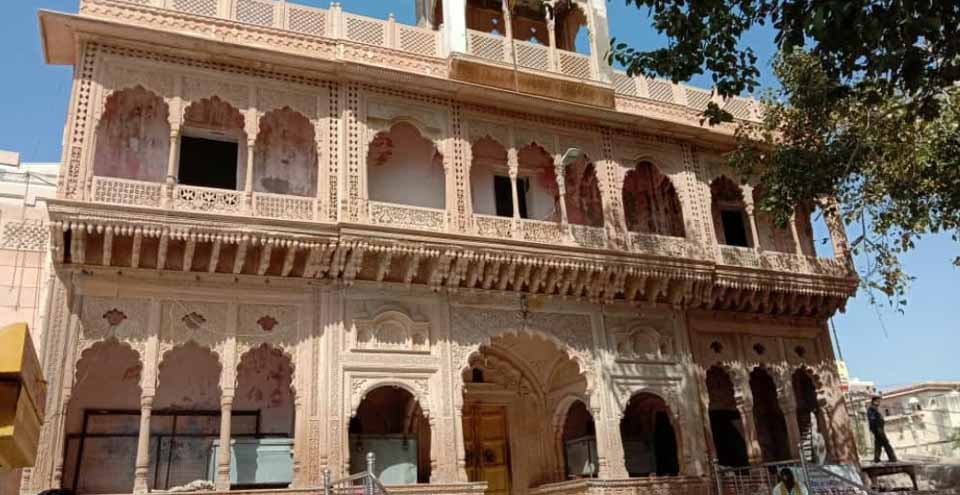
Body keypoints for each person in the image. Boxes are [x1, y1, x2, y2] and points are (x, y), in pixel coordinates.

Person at [867, 396, 897, 462]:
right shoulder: (872, 409)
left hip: (879, 429)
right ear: (874, 401)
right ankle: (892, 458)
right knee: (886, 443)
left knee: (878, 444)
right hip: (878, 429)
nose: (879, 402)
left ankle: (876, 459)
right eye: (878, 401)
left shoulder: (874, 408)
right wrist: (877, 429)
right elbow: (873, 419)